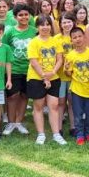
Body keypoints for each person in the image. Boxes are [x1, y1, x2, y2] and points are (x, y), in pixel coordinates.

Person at [27, 15, 65, 146]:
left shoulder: (56, 41)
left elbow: (60, 59)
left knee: (54, 105)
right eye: (42, 24)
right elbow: (33, 62)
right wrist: (44, 76)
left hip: (53, 77)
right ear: (37, 27)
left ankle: (56, 134)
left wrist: (53, 72)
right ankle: (41, 134)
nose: (45, 27)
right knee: (38, 106)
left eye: (48, 24)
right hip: (36, 78)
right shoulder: (34, 42)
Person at [2, 4, 36, 135]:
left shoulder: (34, 31)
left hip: (30, 69)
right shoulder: (9, 31)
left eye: (26, 14)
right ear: (15, 17)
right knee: (12, 96)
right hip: (14, 68)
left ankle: (19, 122)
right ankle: (10, 123)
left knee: (24, 95)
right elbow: (4, 48)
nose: (24, 17)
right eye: (20, 15)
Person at [65, 27, 89, 146]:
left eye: (79, 36)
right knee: (77, 114)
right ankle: (79, 135)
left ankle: (87, 133)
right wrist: (67, 68)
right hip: (77, 89)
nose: (77, 39)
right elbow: (69, 74)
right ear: (71, 40)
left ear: (84, 37)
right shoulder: (70, 55)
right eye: (74, 37)